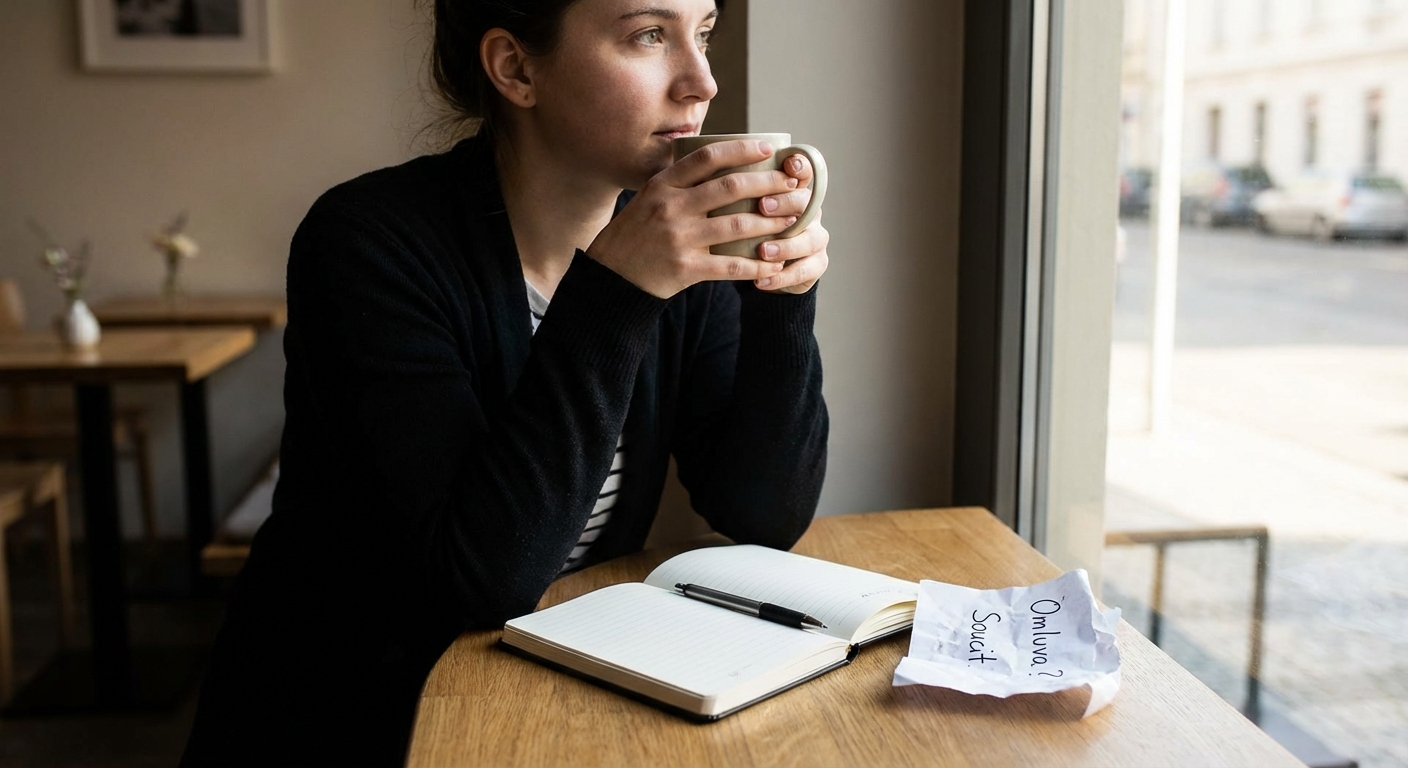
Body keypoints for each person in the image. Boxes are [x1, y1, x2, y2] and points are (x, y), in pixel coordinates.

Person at [181, 0, 829, 764]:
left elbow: (762, 511)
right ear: (517, 68)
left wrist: (781, 298)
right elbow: (481, 576)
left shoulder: (674, 252)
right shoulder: (366, 242)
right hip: (349, 717)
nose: (703, 82)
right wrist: (617, 294)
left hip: (541, 700)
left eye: (704, 33)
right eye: (650, 35)